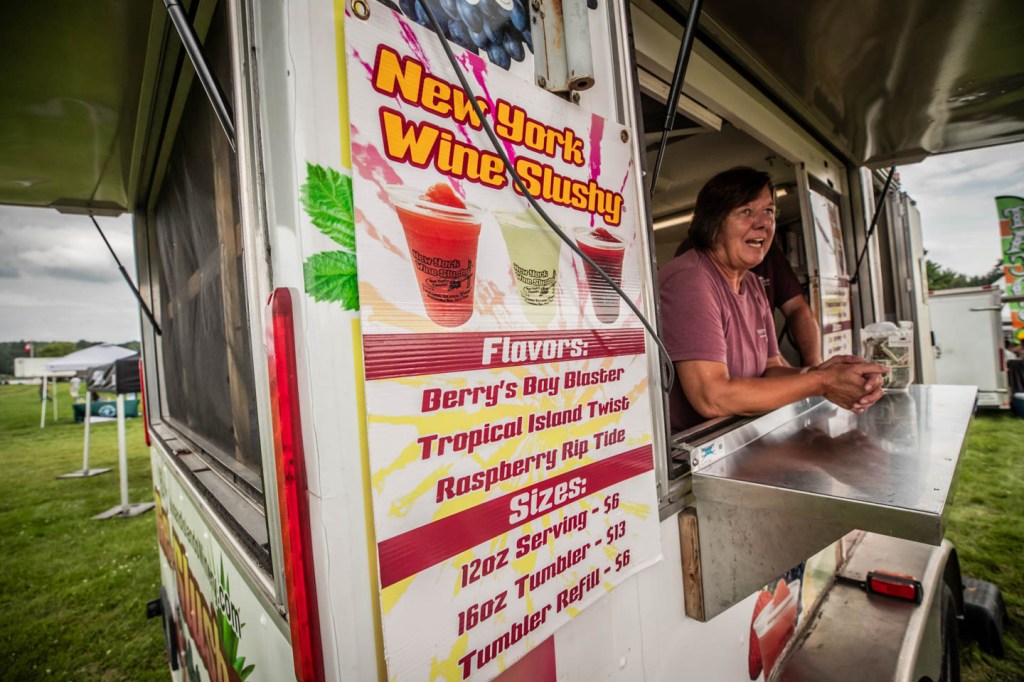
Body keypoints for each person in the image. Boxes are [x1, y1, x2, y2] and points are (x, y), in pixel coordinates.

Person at [659, 167, 886, 432]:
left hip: (739, 435)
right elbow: (713, 397)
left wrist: (822, 374)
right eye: (746, 211)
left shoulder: (754, 285)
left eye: (768, 211)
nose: (763, 223)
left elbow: (771, 368)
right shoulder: (690, 279)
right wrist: (823, 382)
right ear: (713, 222)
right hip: (690, 447)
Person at [674, 220, 821, 367]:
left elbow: (772, 362)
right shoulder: (691, 267)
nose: (760, 223)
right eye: (745, 212)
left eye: (768, 211)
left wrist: (813, 371)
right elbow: (710, 379)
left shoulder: (756, 280)